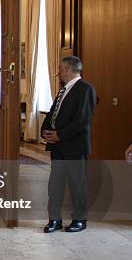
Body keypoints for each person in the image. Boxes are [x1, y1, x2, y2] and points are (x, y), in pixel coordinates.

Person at [41, 56, 96, 233]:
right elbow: (53, 113)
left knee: (76, 184)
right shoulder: (63, 90)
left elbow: (82, 120)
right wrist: (45, 130)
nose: (58, 72)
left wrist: (60, 135)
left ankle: (79, 219)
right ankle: (54, 219)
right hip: (58, 147)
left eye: (60, 69)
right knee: (55, 184)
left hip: (75, 146)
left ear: (68, 69)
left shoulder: (85, 90)